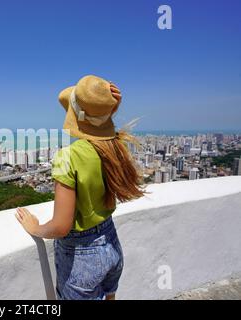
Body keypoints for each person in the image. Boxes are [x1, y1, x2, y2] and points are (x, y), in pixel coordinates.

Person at [15, 75, 145, 300]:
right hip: (111, 243)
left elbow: (61, 227)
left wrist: (36, 228)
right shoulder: (115, 146)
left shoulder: (69, 157)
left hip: (82, 255)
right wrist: (107, 105)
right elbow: (102, 125)